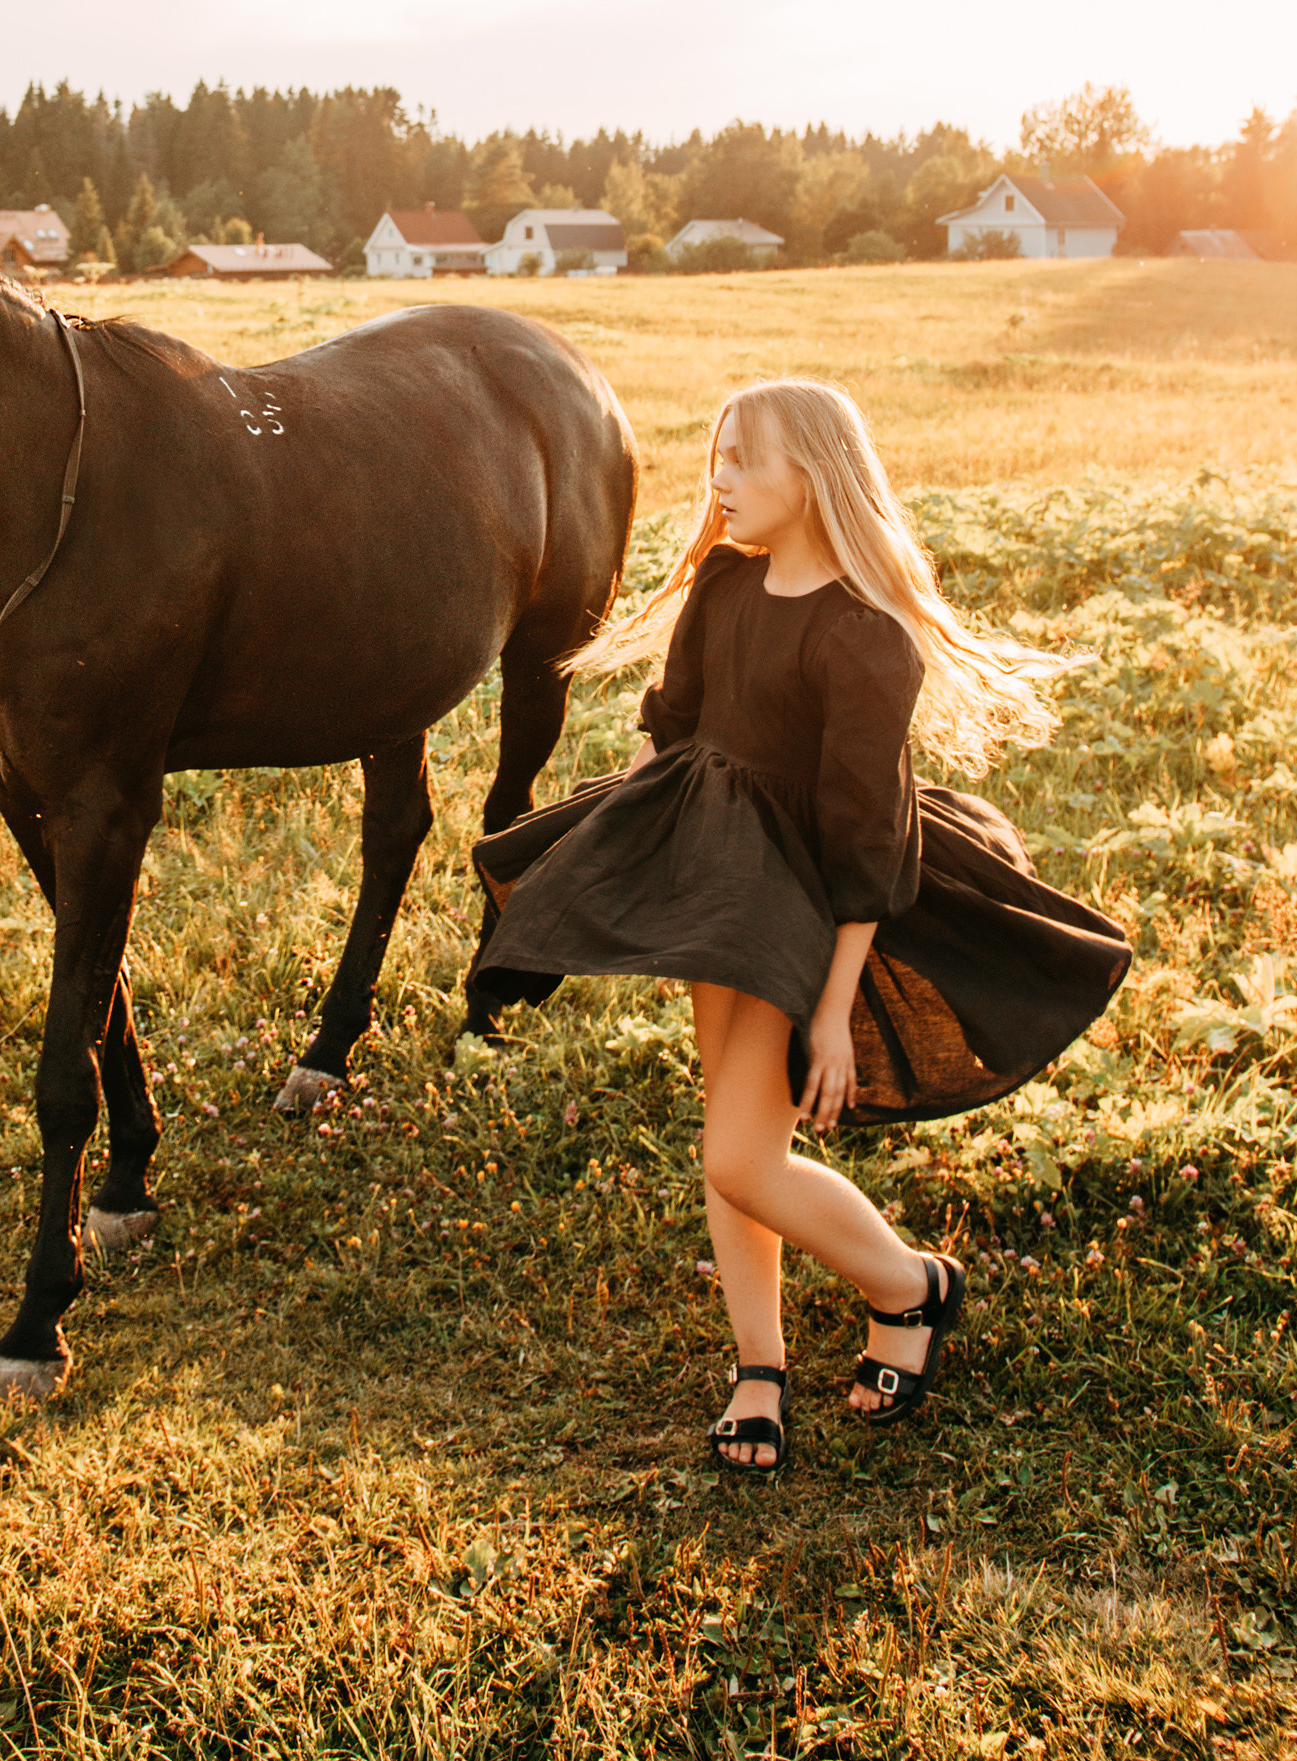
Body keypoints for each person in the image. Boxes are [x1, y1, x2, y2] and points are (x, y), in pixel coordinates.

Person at [466, 377, 1130, 1478]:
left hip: (801, 904)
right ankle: (758, 1369)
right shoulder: (725, 589)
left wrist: (832, 1009)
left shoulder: (865, 640)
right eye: (715, 457)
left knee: (739, 1157)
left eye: (740, 460)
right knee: (737, 1153)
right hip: (706, 875)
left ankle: (909, 1286)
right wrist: (612, 861)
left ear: (808, 478)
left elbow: (866, 843)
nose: (715, 480)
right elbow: (668, 726)